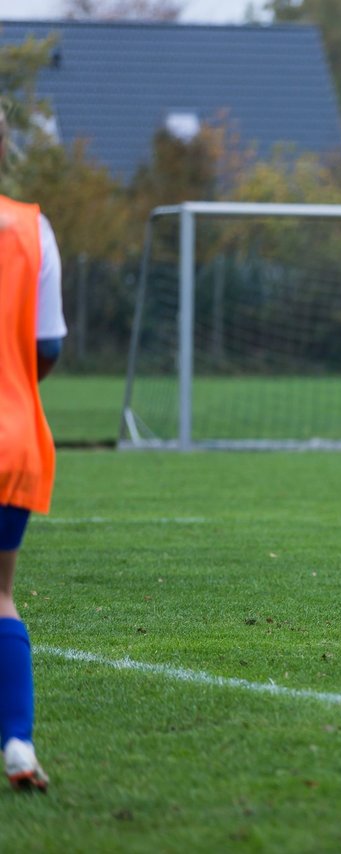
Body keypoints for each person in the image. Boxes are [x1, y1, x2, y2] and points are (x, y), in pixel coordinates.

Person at [0, 108, 65, 792]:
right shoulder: (29, 227)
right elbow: (46, 348)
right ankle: (17, 744)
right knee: (0, 594)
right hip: (10, 438)